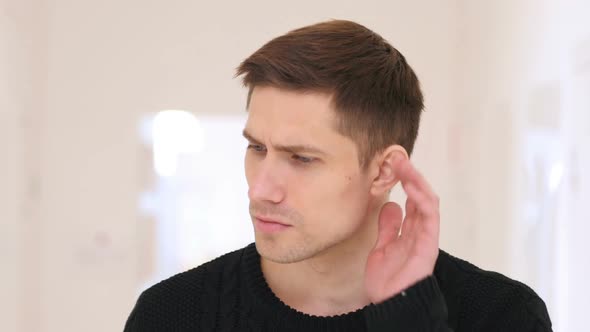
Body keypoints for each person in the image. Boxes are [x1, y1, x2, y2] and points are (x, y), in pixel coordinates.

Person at [124, 20, 552, 331]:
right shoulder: (170, 315)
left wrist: (409, 318)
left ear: (384, 171)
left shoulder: (501, 315)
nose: (261, 188)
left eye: (301, 158)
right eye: (257, 148)